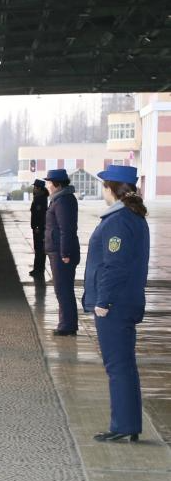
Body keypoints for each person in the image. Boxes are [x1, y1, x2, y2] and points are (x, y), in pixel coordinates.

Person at [81, 165, 150, 443]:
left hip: (115, 305)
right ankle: (128, 424)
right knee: (124, 365)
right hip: (126, 300)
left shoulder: (118, 221)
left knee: (117, 366)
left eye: (104, 186)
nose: (103, 191)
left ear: (111, 188)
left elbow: (115, 266)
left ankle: (123, 425)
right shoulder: (133, 217)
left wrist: (104, 301)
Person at [44, 168, 79, 336]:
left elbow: (66, 229)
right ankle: (66, 323)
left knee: (63, 289)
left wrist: (65, 253)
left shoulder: (63, 201)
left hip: (61, 253)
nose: (47, 186)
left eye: (49, 183)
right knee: (63, 289)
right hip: (58, 251)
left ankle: (67, 326)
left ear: (56, 184)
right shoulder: (59, 199)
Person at [29, 179, 48, 278]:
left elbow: (40, 215)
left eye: (35, 187)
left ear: (39, 188)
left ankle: (39, 269)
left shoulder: (40, 199)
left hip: (39, 229)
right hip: (38, 228)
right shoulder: (40, 197)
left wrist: (37, 226)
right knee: (38, 249)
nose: (34, 189)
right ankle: (38, 268)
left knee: (39, 249)